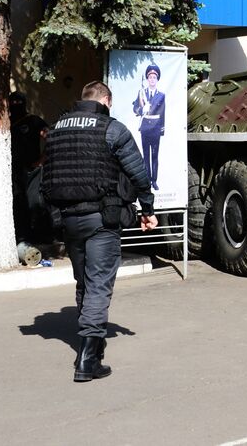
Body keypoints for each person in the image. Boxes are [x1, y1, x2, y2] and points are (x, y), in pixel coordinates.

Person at [41, 81, 155, 382]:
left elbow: (46, 176)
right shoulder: (112, 128)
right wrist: (147, 209)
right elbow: (138, 173)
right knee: (99, 285)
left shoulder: (56, 130)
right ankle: (88, 358)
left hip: (68, 220)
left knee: (84, 281)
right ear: (105, 100)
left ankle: (94, 339)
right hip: (102, 219)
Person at [8, 90, 48, 240]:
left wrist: (41, 160)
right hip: (12, 170)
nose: (16, 105)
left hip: (32, 170)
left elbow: (49, 138)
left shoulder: (34, 121)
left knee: (34, 203)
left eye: (19, 102)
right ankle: (20, 235)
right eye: (13, 102)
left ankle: (39, 234)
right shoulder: (6, 122)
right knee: (17, 203)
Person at [130, 65, 164, 191]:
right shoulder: (142, 93)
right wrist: (141, 109)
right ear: (147, 79)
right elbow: (135, 108)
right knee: (146, 155)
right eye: (150, 77)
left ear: (157, 79)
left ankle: (154, 181)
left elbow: (163, 113)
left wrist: (162, 129)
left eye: (154, 77)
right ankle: (146, 180)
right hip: (145, 128)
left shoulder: (161, 95)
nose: (152, 79)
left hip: (155, 128)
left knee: (155, 156)